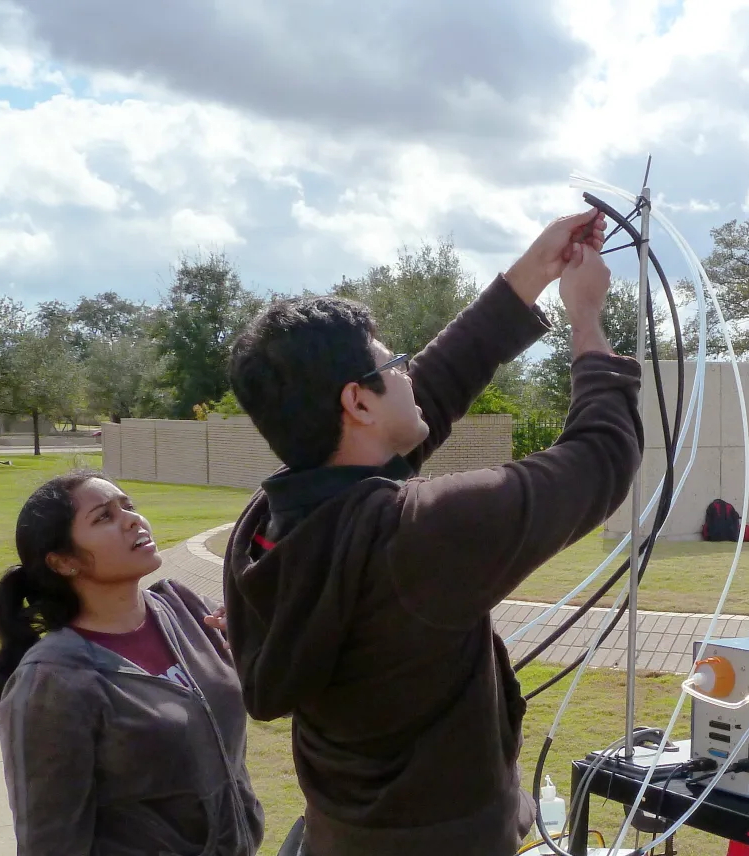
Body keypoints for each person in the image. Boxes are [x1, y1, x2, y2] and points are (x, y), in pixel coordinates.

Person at [221, 208, 643, 855]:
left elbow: (430, 395)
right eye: (395, 366)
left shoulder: (267, 531)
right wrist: (586, 320)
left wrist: (533, 270)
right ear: (357, 403)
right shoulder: (413, 537)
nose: (410, 376)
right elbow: (599, 463)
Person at [0, 471, 265, 855]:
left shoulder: (185, 609)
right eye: (104, 517)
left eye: (129, 506)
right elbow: (49, 841)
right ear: (64, 562)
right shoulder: (52, 681)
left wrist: (254, 647)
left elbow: (261, 702)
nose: (133, 520)